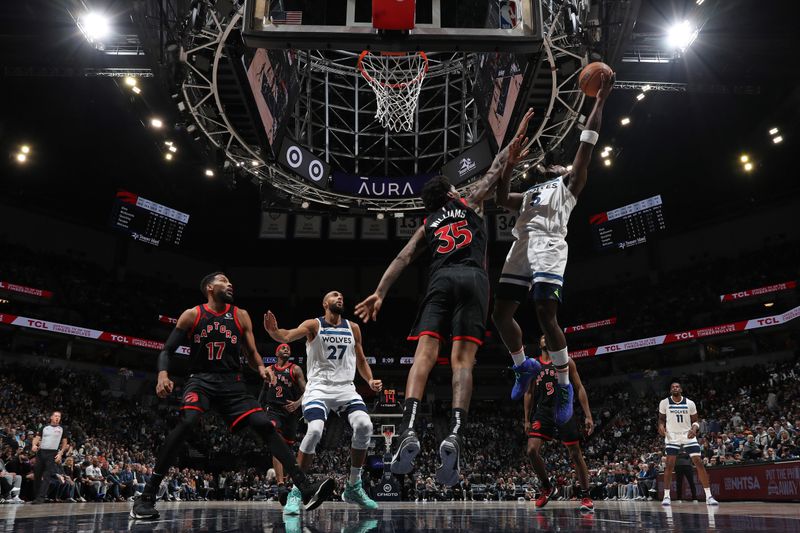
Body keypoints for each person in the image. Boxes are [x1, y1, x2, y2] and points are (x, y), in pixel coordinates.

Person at [355, 111, 535, 486]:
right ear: (452, 193)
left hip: (440, 281)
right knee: (462, 361)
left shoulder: (427, 223)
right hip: (473, 278)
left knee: (423, 355)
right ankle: (455, 432)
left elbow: (403, 257)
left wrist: (379, 292)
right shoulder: (469, 202)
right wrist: (512, 143)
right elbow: (496, 169)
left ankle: (408, 428)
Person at [130, 272, 334, 519]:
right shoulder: (192, 314)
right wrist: (163, 375)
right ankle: (147, 496)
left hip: (232, 384)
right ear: (209, 287)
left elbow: (251, 353)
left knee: (265, 425)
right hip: (201, 380)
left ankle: (305, 488)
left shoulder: (240, 315)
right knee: (188, 422)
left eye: (230, 282)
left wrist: (260, 368)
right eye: (223, 281)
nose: (230, 284)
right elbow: (167, 350)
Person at [492, 73, 614, 423]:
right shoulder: (531, 193)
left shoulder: (570, 185)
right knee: (500, 315)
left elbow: (588, 142)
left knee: (546, 314)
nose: (559, 164)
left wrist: (600, 101)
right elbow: (501, 197)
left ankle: (563, 384)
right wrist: (509, 165)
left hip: (548, 244)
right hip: (522, 244)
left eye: (562, 163)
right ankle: (523, 366)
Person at [264, 290, 383, 514]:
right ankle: (297, 491)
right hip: (318, 388)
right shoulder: (313, 325)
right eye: (335, 295)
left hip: (345, 388)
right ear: (325, 303)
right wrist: (274, 332)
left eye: (342, 296)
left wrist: (370, 379)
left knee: (365, 426)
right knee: (315, 430)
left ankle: (353, 487)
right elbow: (288, 335)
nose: (340, 297)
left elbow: (361, 359)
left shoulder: (353, 327)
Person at [524, 336, 594, 513]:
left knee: (575, 454)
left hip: (564, 409)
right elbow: (529, 393)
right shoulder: (534, 365)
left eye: (549, 334)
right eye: (542, 336)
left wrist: (588, 415)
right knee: (531, 450)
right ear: (539, 343)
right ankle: (547, 487)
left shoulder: (566, 361)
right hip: (543, 411)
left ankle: (585, 495)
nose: (546, 338)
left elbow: (579, 387)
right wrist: (526, 418)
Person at [658, 380, 718, 506]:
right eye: (673, 386)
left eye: (677, 386)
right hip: (672, 435)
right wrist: (661, 426)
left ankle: (709, 496)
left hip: (687, 434)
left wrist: (694, 429)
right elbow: (661, 419)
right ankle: (666, 496)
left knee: (699, 462)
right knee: (669, 465)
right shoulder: (664, 402)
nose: (675, 388)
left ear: (681, 389)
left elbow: (696, 421)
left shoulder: (690, 403)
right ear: (670, 390)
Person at [258, 342, 306, 488]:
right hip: (273, 410)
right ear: (276, 353)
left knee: (288, 450)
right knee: (276, 441)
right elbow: (263, 391)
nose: (286, 349)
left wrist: (297, 403)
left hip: (290, 413)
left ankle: (285, 480)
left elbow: (308, 391)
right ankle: (280, 484)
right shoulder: (269, 369)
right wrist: (258, 407)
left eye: (288, 348)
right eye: (283, 348)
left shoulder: (295, 369)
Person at [30, 410, 69, 504]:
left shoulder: (62, 429)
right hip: (41, 452)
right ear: (51, 417)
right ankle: (36, 497)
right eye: (55, 416)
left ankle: (41, 498)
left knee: (47, 476)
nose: (57, 418)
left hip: (52, 453)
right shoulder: (44, 427)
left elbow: (64, 442)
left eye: (59, 416)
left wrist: (60, 454)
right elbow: (37, 438)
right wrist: (33, 445)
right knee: (37, 475)